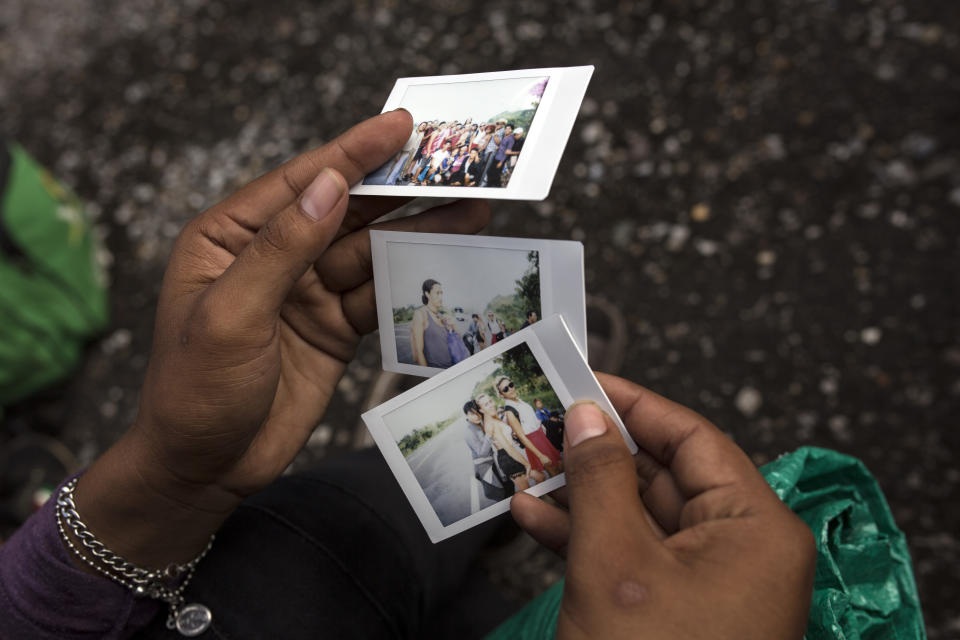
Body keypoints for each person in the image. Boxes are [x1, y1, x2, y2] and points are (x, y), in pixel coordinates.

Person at [0, 109, 817, 640]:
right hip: (279, 582)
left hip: (251, 583)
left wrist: (170, 477)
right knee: (411, 522)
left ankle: (487, 515)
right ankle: (489, 502)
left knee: (408, 515)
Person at [474, 393, 543, 491]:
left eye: (490, 401)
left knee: (540, 478)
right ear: (481, 410)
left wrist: (511, 435)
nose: (491, 405)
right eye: (486, 404)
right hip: (508, 459)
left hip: (509, 456)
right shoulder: (491, 423)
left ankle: (540, 500)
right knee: (529, 492)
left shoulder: (493, 418)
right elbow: (509, 449)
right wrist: (526, 464)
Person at [495, 376, 562, 476]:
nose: (510, 389)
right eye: (505, 389)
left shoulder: (519, 401)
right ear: (501, 394)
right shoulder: (509, 411)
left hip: (542, 436)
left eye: (511, 385)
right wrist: (540, 455)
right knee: (554, 472)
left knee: (559, 467)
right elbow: (522, 437)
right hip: (534, 442)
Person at [461, 401, 512, 502]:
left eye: (477, 413)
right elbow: (482, 453)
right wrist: (488, 435)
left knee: (508, 485)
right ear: (466, 415)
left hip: (494, 462)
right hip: (486, 466)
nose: (476, 416)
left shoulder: (479, 424)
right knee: (502, 492)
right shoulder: (469, 432)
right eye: (472, 414)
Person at [409, 279, 453, 368]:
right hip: (436, 371)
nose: (441, 297)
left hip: (450, 367)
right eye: (437, 293)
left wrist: (452, 326)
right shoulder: (421, 314)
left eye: (441, 293)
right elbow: (419, 352)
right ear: (427, 294)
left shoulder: (441, 316)